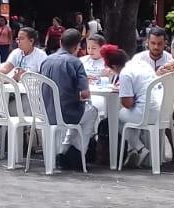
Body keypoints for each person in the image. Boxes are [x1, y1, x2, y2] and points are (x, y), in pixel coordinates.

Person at [38, 29, 98, 161]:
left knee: (83, 114)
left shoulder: (46, 61)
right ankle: (77, 152)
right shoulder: (75, 62)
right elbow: (85, 93)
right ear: (77, 46)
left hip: (45, 112)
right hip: (67, 113)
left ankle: (65, 149)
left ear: (60, 42)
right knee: (92, 111)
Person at [101, 45, 160, 168]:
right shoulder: (141, 64)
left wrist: (124, 91)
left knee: (116, 117)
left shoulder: (124, 74)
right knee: (126, 119)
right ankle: (134, 149)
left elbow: (127, 104)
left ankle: (138, 148)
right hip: (160, 109)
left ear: (115, 66)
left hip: (145, 113)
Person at [81, 34, 109, 111]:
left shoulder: (108, 62)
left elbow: (111, 80)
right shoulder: (82, 60)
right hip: (85, 91)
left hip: (101, 93)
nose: (90, 50)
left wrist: (102, 78)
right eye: (88, 48)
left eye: (94, 48)